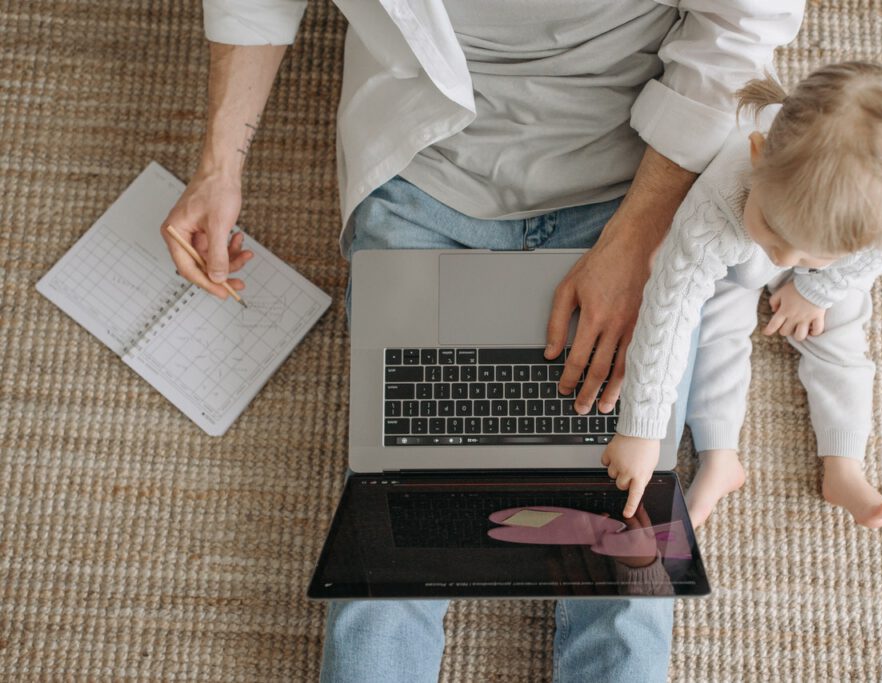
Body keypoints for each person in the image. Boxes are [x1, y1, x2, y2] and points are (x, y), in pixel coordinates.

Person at [160, 1, 805, 680]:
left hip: (634, 171)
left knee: (627, 548)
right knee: (394, 521)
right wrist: (217, 167)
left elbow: (746, 21)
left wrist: (641, 234)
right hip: (423, 166)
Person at [602, 62, 882, 530]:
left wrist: (820, 286)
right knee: (712, 328)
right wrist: (641, 430)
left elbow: (868, 261)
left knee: (841, 329)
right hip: (731, 256)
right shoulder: (719, 200)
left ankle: (844, 466)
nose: (783, 258)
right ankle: (720, 456)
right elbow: (669, 307)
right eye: (775, 231)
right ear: (757, 154)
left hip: (818, 281)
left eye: (810, 251)